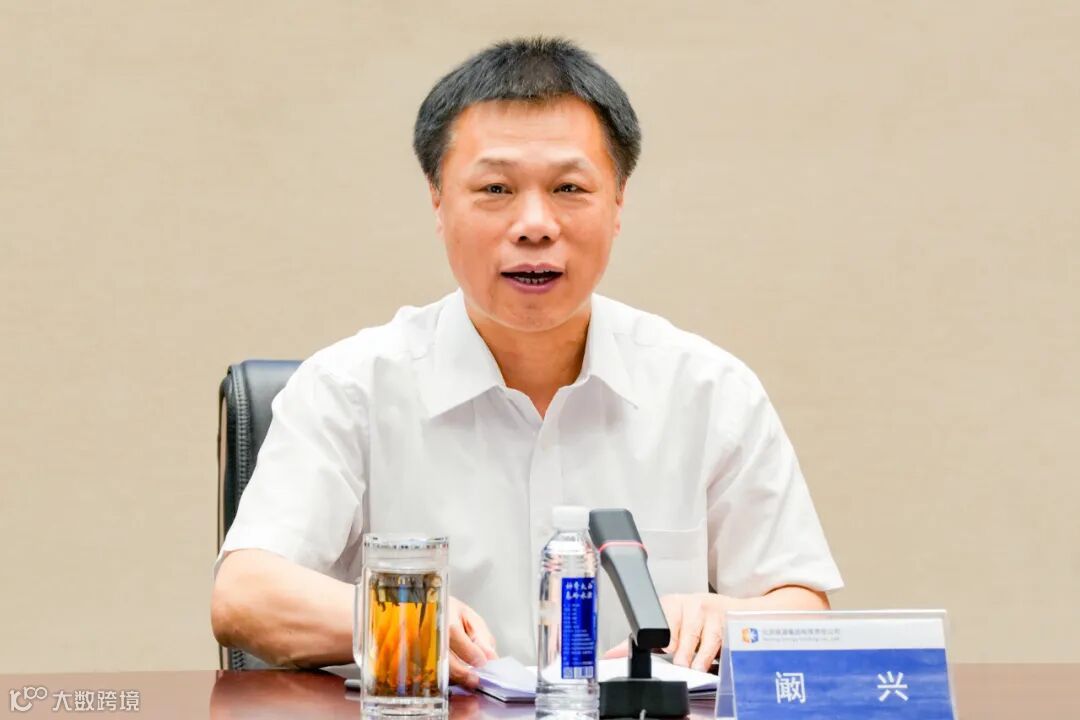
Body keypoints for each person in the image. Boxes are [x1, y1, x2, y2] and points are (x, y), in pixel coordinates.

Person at [210, 36, 842, 689]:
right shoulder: (349, 387)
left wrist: (724, 616)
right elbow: (243, 595)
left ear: (618, 203)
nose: (535, 224)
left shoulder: (708, 389)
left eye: (569, 187)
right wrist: (406, 619)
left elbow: (803, 606)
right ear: (438, 202)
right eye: (496, 188)